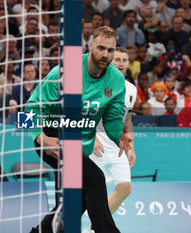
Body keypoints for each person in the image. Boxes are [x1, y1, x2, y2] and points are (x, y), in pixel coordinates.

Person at [26, 26, 126, 233]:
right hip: (53, 138)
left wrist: (120, 137)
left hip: (81, 146)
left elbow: (112, 118)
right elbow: (30, 107)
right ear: (90, 46)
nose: (105, 54)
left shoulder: (116, 80)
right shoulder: (62, 72)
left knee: (74, 202)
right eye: (101, 48)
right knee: (96, 179)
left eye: (110, 50)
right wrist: (39, 137)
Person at [89, 47, 136, 223]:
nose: (121, 63)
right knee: (85, 195)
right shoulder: (99, 83)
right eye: (117, 59)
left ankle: (94, 227)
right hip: (95, 146)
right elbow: (87, 112)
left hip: (116, 148)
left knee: (124, 188)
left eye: (124, 60)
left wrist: (132, 148)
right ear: (109, 60)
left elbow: (128, 120)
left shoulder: (131, 89)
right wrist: (91, 137)